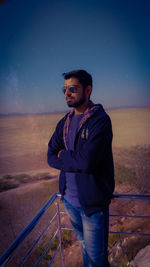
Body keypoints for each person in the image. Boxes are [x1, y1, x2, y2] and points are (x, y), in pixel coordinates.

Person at [47, 69, 114, 267]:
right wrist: (72, 158)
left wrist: (64, 154)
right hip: (69, 200)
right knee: (85, 249)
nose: (67, 94)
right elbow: (50, 156)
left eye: (73, 89)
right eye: (65, 89)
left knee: (96, 259)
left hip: (92, 205)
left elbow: (87, 162)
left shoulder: (99, 121)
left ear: (88, 90)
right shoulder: (64, 123)